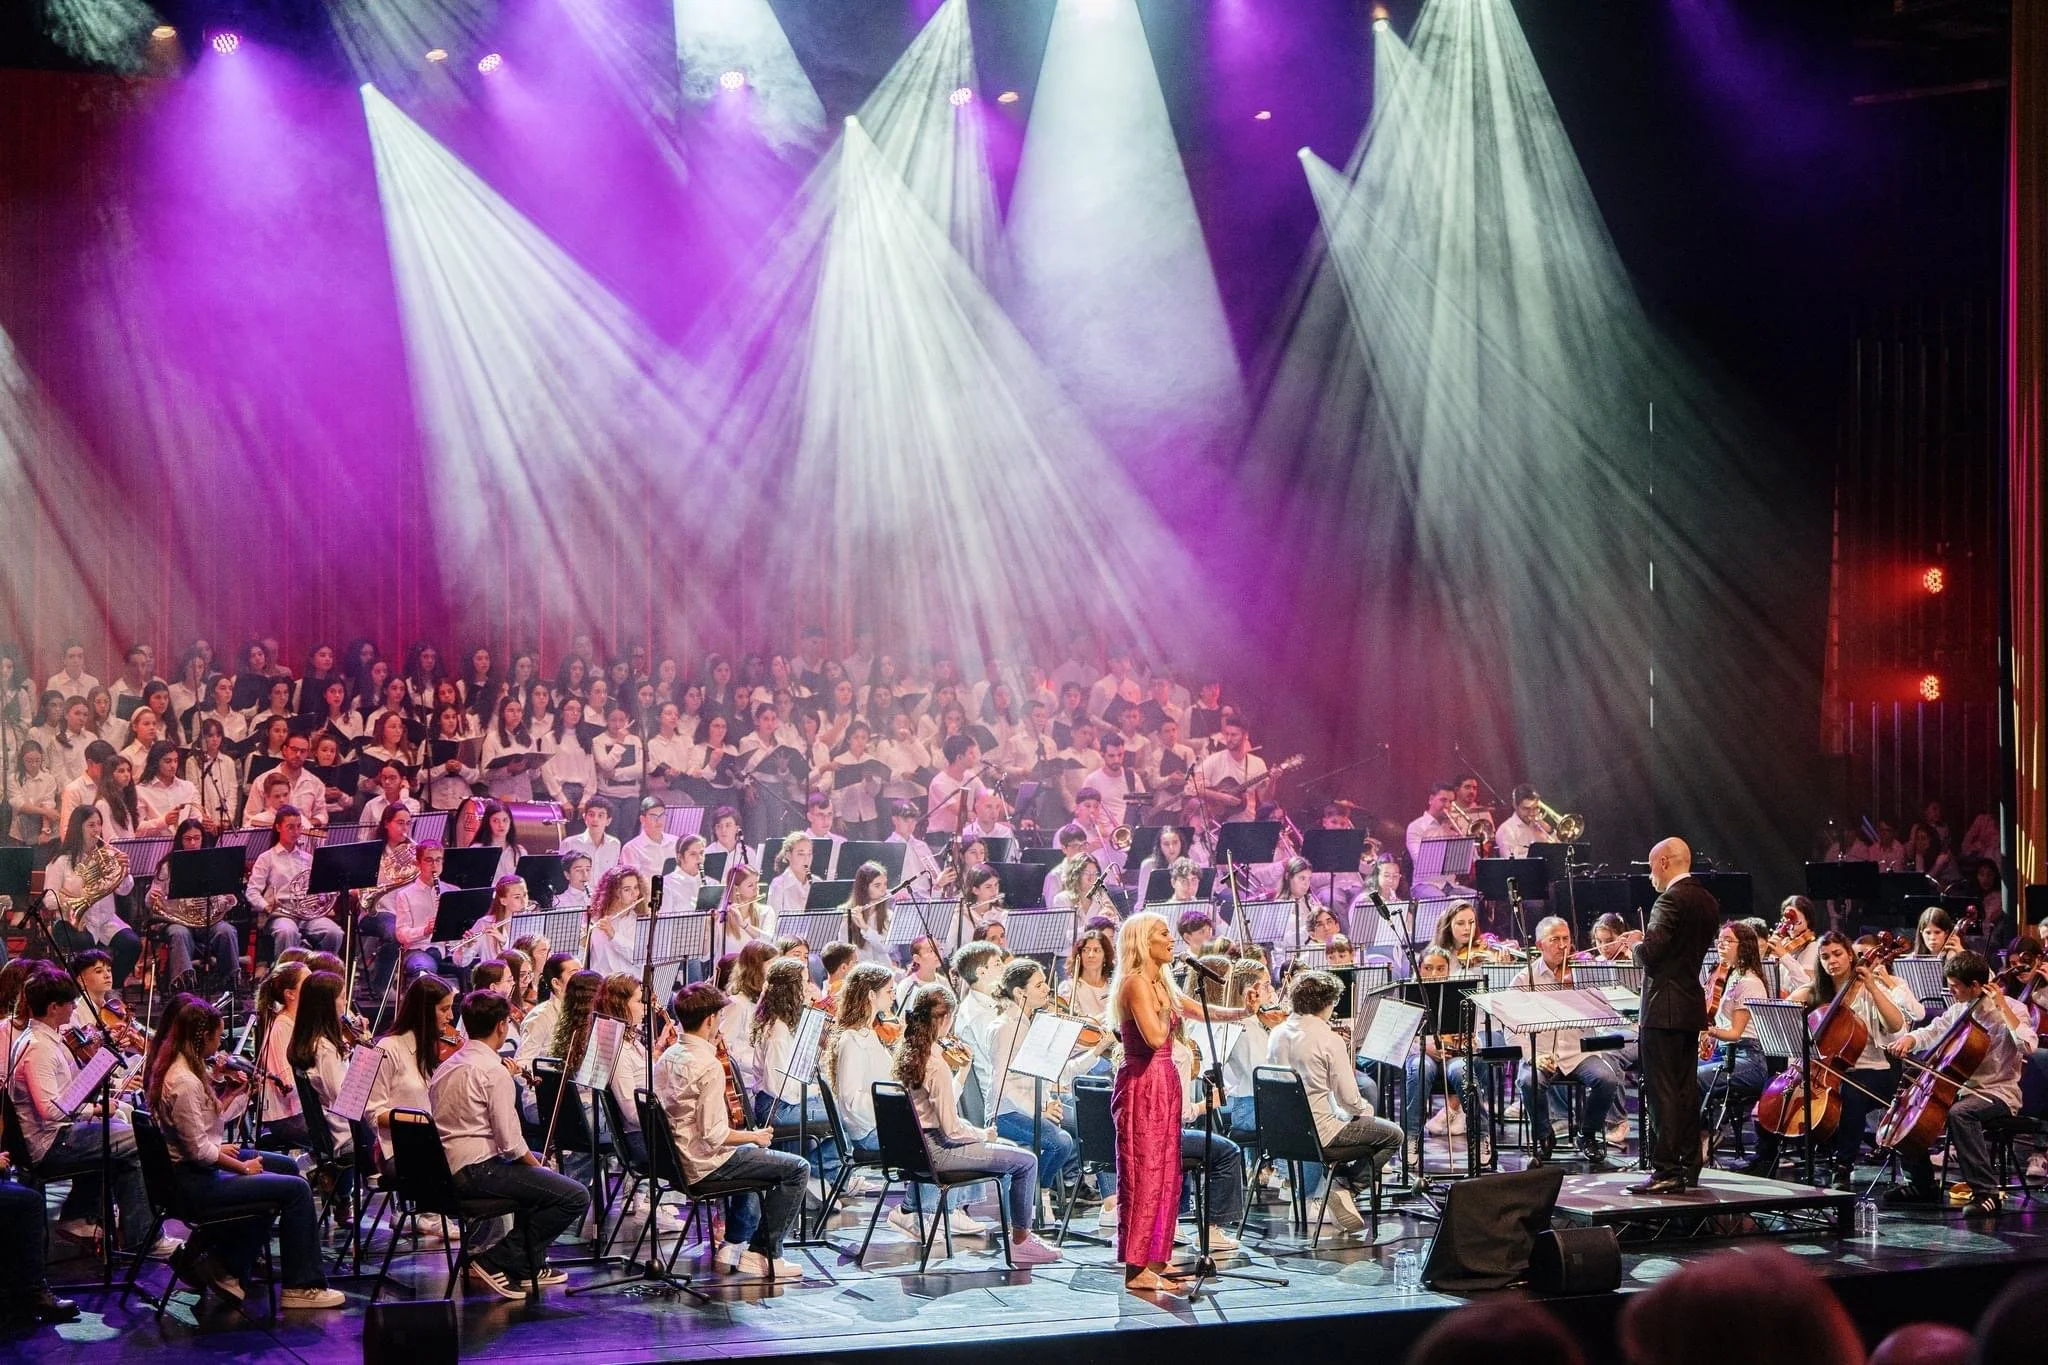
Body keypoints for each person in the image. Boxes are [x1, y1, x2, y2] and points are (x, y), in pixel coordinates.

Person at [141, 993, 344, 1309]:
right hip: (194, 1181)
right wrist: (240, 1168)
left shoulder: (185, 1070)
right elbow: (198, 1151)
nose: (220, 1045)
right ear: (202, 1037)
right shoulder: (183, 1081)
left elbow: (201, 1129)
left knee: (285, 1168)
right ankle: (301, 1285)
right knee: (297, 1189)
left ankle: (226, 1265)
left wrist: (234, 1089)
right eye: (218, 1037)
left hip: (195, 1170)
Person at [430, 989, 589, 1298]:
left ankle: (526, 1265)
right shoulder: (493, 1072)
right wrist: (540, 1167)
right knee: (574, 1195)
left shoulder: (447, 1066)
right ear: (502, 1026)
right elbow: (511, 1146)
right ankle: (494, 1261)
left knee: (539, 1174)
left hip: (446, 1170)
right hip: (477, 1172)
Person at [891, 981, 1060, 1266]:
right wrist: (983, 1134)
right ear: (945, 1019)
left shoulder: (911, 1055)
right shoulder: (935, 1064)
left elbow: (935, 1106)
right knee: (1027, 1161)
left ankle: (1018, 1232)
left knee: (1010, 1153)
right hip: (940, 1151)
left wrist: (963, 1072)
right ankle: (1021, 1240)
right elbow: (952, 1129)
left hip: (918, 1150)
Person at [654, 982, 808, 1280]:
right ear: (710, 1019)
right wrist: (755, 1136)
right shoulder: (708, 1066)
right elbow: (715, 1136)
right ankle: (764, 1252)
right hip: (704, 1165)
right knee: (797, 1168)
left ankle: (735, 1243)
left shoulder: (668, 1057)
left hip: (679, 1160)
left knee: (753, 1159)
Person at [5, 965, 159, 1258]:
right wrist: (95, 1110)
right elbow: (51, 1110)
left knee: (123, 1135)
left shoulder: (48, 1039)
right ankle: (142, 1238)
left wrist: (101, 1070)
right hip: (50, 1144)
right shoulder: (39, 1048)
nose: (75, 1007)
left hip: (60, 1135)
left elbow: (66, 1093)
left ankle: (86, 1216)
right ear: (53, 1007)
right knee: (139, 1141)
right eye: (70, 1003)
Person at [1747, 931, 1919, 1187]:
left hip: (1874, 1070)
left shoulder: (1870, 990)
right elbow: (1783, 1017)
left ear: (1850, 955)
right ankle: (1765, 1158)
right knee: (1773, 1087)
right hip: (1826, 1070)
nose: (1832, 961)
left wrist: (1872, 985)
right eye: (1825, 957)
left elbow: (1897, 1028)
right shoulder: (1816, 992)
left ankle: (1843, 1165)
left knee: (1850, 1095)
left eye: (1837, 954)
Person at [1883, 951, 2036, 1215]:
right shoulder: (1959, 1010)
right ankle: (1921, 1184)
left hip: (1998, 1093)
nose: (1950, 991)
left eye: (1955, 986)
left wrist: (2003, 1007)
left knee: (1961, 1113)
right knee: (1910, 1110)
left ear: (1975, 986)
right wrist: (1911, 1040)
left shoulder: (2014, 1009)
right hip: (1961, 1089)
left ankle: (1986, 1193)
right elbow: (1933, 1031)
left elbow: (2029, 1045)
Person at [1264, 965, 1401, 1237]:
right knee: (1393, 1136)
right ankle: (1344, 1188)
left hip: (1284, 1135)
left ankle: (1332, 1189)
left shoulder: (1277, 1033)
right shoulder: (1328, 1039)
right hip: (1321, 1134)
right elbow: (1350, 1100)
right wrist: (1367, 1111)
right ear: (1327, 1003)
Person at [1630, 837, 1722, 1195]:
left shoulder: (1669, 900)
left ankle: (1666, 1168)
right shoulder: (1707, 900)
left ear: (1665, 862)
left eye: (1652, 865)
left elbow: (1652, 955)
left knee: (1662, 1091)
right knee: (1684, 1090)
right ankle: (1688, 1165)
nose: (1651, 874)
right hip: (1688, 1006)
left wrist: (1636, 943)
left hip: (1663, 1009)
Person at [1516, 918, 1628, 1169]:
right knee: (1527, 1080)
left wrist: (1581, 991)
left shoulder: (1582, 973)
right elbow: (1512, 1026)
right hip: (1542, 1052)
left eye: (1566, 939)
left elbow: (1606, 1009)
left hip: (1578, 1051)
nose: (1562, 945)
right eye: (1555, 939)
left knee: (1607, 1080)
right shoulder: (1525, 978)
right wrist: (1531, 1055)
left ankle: (1586, 1134)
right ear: (1540, 945)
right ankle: (1544, 1134)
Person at [1697, 920, 1772, 1167]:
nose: (1721, 945)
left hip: (1747, 1058)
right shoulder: (1728, 976)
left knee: (1695, 1078)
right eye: (1720, 941)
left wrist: (1709, 1030)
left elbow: (1736, 1033)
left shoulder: (1748, 982)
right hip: (1723, 1053)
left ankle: (1705, 1135)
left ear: (1745, 946)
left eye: (1728, 941)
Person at [43, 805, 142, 987]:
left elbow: (124, 890)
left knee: (133, 944)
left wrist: (125, 871)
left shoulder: (108, 857)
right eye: (91, 825)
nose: (96, 829)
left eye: (99, 824)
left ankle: (112, 988)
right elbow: (49, 900)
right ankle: (81, 990)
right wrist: (74, 899)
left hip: (106, 920)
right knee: (85, 942)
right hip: (70, 921)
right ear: (78, 827)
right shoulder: (61, 861)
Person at [363, 974, 456, 1167]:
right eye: (444, 1009)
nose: (451, 1016)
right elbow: (374, 1112)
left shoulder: (431, 1046)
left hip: (432, 1143)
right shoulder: (387, 1048)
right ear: (424, 1012)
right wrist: (423, 1121)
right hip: (397, 1150)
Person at [558, 795, 621, 883]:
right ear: (584, 818)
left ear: (608, 821)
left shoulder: (615, 844)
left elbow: (612, 877)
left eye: (600, 815)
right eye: (591, 815)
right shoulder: (569, 843)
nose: (595, 819)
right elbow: (561, 878)